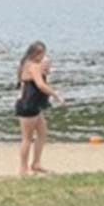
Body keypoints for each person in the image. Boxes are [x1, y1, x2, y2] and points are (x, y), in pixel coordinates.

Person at [14, 41, 63, 176]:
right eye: (42, 55)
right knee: (27, 138)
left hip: (34, 105)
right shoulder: (32, 66)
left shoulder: (28, 64)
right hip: (28, 105)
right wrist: (56, 95)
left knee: (42, 133)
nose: (44, 58)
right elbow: (41, 85)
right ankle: (23, 169)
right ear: (36, 54)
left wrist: (45, 70)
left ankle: (36, 163)